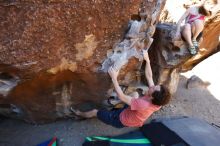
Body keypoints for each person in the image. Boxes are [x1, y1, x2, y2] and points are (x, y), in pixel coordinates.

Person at [71, 50, 171, 128]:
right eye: (155, 86)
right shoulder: (158, 102)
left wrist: (114, 78)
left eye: (153, 88)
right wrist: (147, 60)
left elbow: (122, 96)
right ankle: (118, 107)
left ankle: (79, 114)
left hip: (120, 120)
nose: (152, 86)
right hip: (132, 112)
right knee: (135, 94)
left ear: (152, 97)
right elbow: (149, 76)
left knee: (95, 112)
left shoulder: (143, 104)